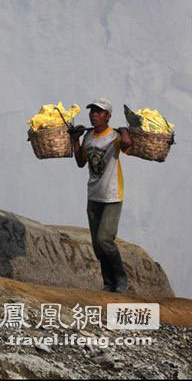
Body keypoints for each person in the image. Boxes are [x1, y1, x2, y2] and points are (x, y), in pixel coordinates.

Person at [69, 98, 131, 293]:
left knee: (105, 239)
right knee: (97, 245)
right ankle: (109, 283)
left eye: (98, 112)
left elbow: (128, 145)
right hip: (94, 195)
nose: (93, 115)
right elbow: (80, 162)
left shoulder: (114, 137)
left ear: (108, 116)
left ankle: (121, 278)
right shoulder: (88, 137)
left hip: (111, 196)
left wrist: (124, 131)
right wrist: (75, 139)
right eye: (92, 111)